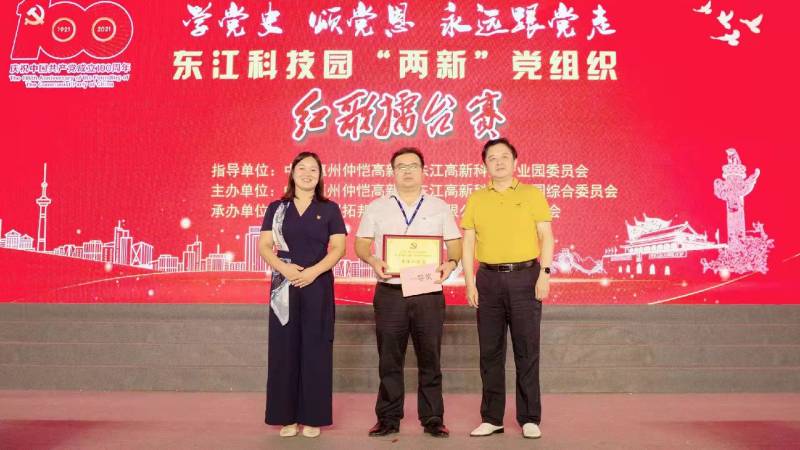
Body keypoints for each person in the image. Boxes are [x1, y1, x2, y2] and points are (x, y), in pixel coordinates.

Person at [355, 147, 462, 438]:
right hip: (390, 292)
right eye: (400, 166)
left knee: (431, 357)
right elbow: (361, 243)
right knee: (389, 358)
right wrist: (373, 260)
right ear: (392, 172)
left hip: (428, 291)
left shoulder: (440, 206)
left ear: (423, 171)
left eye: (413, 165)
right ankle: (388, 418)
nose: (407, 171)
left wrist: (451, 263)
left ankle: (433, 418)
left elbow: (454, 244)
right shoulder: (377, 206)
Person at [461, 138, 555, 439]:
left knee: (527, 349)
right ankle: (492, 418)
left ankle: (529, 417)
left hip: (525, 277)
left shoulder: (531, 194)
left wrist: (545, 274)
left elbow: (547, 236)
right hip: (488, 279)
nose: (499, 162)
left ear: (515, 162)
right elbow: (468, 243)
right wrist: (469, 281)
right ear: (485, 165)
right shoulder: (477, 198)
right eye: (492, 158)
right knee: (490, 352)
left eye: (504, 157)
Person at [258, 151, 347, 438]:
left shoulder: (329, 209)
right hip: (283, 285)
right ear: (292, 173)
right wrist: (284, 269)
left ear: (320, 176)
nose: (308, 174)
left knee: (316, 348)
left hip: (317, 284)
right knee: (284, 348)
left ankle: (313, 417)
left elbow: (338, 248)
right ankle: (286, 417)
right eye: (302, 168)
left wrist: (312, 272)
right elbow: (264, 246)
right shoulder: (277, 208)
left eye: (313, 170)